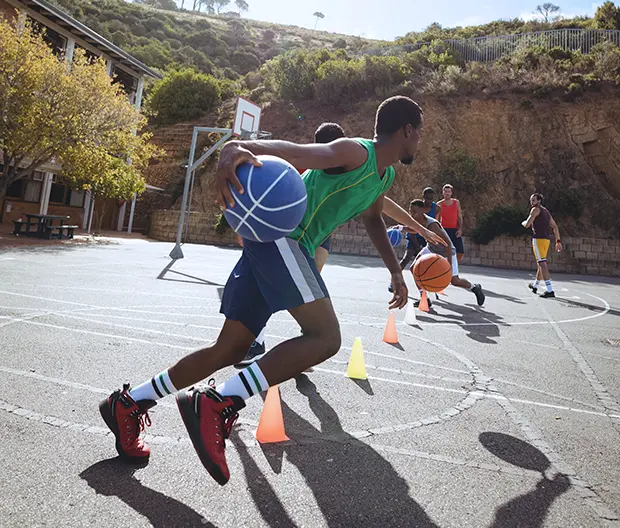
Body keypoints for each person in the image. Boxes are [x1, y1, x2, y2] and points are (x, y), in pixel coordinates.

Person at [99, 96, 446, 485]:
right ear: (408, 131)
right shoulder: (357, 152)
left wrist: (395, 272)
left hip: (270, 245)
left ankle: (129, 403)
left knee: (229, 349)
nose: (421, 141)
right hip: (285, 239)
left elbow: (372, 218)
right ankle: (218, 401)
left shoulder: (384, 176)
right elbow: (300, 152)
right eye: (421, 132)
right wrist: (240, 146)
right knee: (325, 338)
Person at [234, 121, 347, 369]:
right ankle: (257, 341)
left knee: (308, 294)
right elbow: (263, 193)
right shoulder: (299, 165)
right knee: (278, 289)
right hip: (289, 233)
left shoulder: (349, 169)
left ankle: (307, 346)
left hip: (319, 235)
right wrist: (247, 227)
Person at [406, 199, 485, 307]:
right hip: (431, 248)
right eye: (410, 211)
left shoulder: (432, 225)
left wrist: (448, 263)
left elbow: (447, 243)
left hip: (446, 250)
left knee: (454, 281)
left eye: (414, 211)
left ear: (423, 211)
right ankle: (424, 298)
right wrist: (400, 228)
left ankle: (474, 288)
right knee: (413, 268)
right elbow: (415, 230)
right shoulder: (417, 220)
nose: (412, 214)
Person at [521, 193, 562, 298]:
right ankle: (535, 285)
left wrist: (523, 222)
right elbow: (555, 226)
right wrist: (558, 241)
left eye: (534, 200)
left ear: (539, 201)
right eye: (531, 200)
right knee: (541, 262)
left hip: (538, 240)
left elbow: (528, 224)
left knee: (542, 264)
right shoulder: (546, 211)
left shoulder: (535, 210)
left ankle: (549, 290)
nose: (532, 202)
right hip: (546, 240)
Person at [437, 184, 465, 263]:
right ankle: (446, 267)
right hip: (444, 230)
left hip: (455, 230)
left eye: (449, 191)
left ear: (451, 193)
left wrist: (460, 229)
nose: (447, 193)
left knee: (460, 252)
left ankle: (454, 265)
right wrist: (438, 231)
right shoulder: (439, 204)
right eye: (445, 191)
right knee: (444, 251)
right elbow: (436, 219)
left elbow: (459, 216)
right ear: (443, 192)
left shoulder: (456, 202)